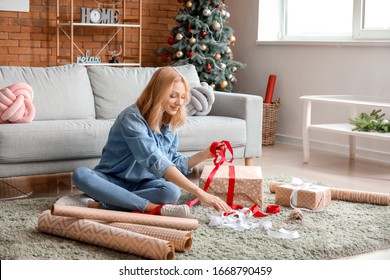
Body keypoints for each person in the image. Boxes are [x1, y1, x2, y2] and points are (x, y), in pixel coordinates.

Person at [72, 66, 231, 218]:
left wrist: (205, 153)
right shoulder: (132, 118)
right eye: (173, 95)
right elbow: (156, 161)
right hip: (111, 180)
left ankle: (107, 205)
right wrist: (200, 193)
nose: (179, 102)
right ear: (158, 93)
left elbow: (172, 162)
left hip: (142, 184)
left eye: (183, 97)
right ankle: (152, 208)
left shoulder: (168, 121)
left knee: (172, 191)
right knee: (80, 174)